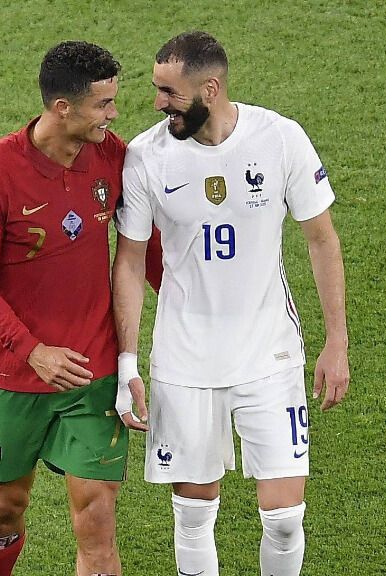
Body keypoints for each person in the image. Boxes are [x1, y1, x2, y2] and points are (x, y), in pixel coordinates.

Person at [112, 31, 351, 576]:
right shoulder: (147, 156)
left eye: (169, 92)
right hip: (185, 361)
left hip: (269, 355)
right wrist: (128, 363)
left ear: (210, 90)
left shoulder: (280, 139)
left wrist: (336, 339)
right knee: (193, 515)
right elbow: (128, 261)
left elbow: (321, 238)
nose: (157, 104)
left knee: (286, 518)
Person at [0, 40, 131, 576]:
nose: (113, 114)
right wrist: (33, 352)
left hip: (90, 368)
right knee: (7, 505)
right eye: (102, 104)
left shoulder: (111, 156)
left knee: (97, 519)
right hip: (14, 373)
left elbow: (144, 250)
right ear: (62, 108)